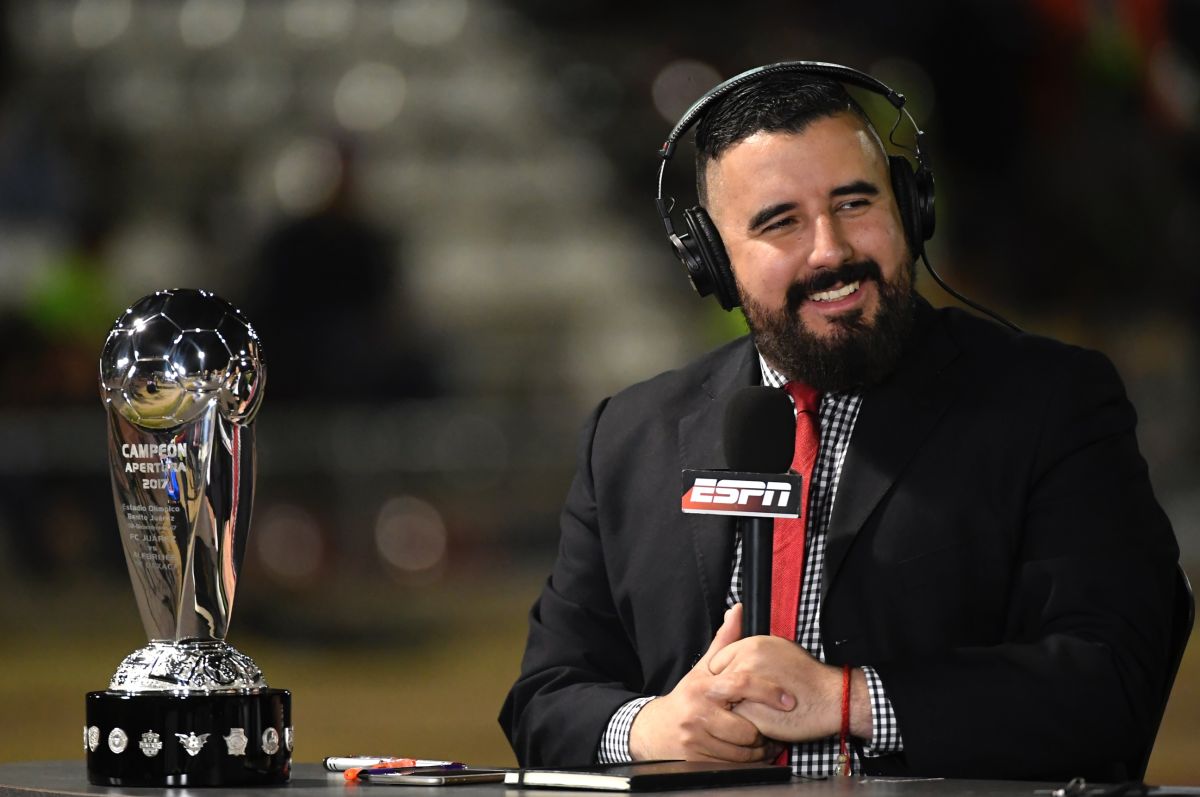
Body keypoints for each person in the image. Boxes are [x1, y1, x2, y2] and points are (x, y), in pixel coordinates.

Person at [499, 64, 1180, 782]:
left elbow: (1111, 685)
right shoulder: (628, 436)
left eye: (855, 203)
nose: (830, 250)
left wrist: (850, 698)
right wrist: (650, 726)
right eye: (779, 221)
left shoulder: (1050, 402)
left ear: (912, 207)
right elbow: (545, 700)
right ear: (713, 264)